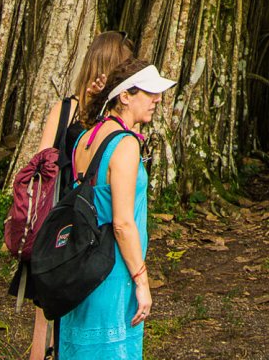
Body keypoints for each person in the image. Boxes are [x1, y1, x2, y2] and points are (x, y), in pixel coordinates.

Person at [15, 30, 136, 360]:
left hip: (63, 223)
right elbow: (45, 163)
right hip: (74, 223)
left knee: (55, 312)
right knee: (51, 313)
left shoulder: (76, 111)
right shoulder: (79, 113)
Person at [60, 58, 176, 360]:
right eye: (149, 93)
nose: (157, 100)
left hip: (82, 270)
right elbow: (123, 223)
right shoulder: (125, 144)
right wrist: (142, 280)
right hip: (112, 273)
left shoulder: (85, 138)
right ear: (125, 96)